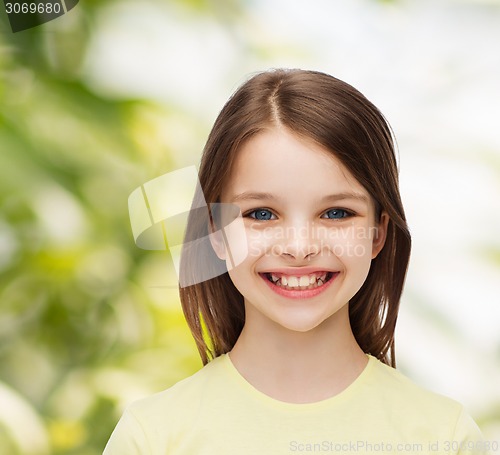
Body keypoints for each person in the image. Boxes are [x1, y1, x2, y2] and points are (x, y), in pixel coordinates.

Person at [103, 69, 487, 454]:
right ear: (215, 233)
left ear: (378, 233)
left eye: (336, 213)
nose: (299, 247)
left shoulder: (445, 437)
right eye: (262, 214)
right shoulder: (152, 437)